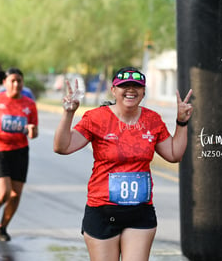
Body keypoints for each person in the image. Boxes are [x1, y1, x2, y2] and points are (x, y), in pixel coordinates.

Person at [53, 67, 193, 260]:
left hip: (139, 211)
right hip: (102, 210)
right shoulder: (96, 118)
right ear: (113, 90)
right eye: (124, 86)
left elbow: (173, 154)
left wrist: (182, 122)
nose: (131, 90)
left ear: (144, 91)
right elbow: (62, 147)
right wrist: (68, 114)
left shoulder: (152, 120)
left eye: (136, 86)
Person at [0, 59, 38, 242]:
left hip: (20, 150)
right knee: (3, 192)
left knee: (16, 194)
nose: (16, 84)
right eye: (13, 80)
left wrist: (33, 131)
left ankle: (3, 227)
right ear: (5, 82)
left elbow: (34, 132)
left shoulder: (29, 104)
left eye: (19, 80)